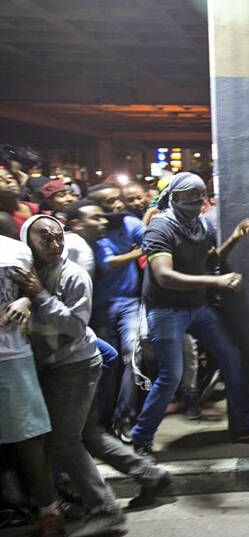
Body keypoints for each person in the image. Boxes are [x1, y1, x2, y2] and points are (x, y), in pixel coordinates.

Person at [130, 172, 249, 456]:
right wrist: (216, 281)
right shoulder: (160, 228)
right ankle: (142, 437)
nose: (196, 201)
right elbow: (164, 276)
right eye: (189, 196)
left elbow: (208, 261)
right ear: (173, 197)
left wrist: (233, 239)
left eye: (200, 195)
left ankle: (244, 425)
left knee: (232, 357)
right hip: (167, 310)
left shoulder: (202, 224)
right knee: (171, 376)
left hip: (196, 307)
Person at [15, 215, 127, 535]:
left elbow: (76, 326)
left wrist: (38, 296)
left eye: (58, 237)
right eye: (45, 238)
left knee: (64, 442)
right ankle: (73, 502)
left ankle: (105, 508)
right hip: (49, 365)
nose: (54, 244)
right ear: (28, 241)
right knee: (64, 439)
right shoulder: (29, 273)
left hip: (76, 365)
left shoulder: (73, 275)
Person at [0, 233, 63, 536]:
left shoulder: (13, 249)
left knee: (29, 437)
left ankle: (49, 511)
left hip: (12, 354)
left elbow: (36, 290)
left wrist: (25, 299)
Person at [87, 183, 146, 441]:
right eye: (110, 202)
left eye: (117, 199)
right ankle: (104, 418)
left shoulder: (130, 222)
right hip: (102, 305)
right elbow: (108, 263)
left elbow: (150, 239)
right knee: (106, 364)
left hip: (131, 302)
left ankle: (124, 416)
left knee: (132, 356)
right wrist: (136, 253)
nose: (118, 205)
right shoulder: (97, 233)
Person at [0, 162, 38, 233]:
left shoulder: (37, 208)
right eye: (0, 180)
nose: (8, 181)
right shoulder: (2, 220)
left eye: (10, 177)